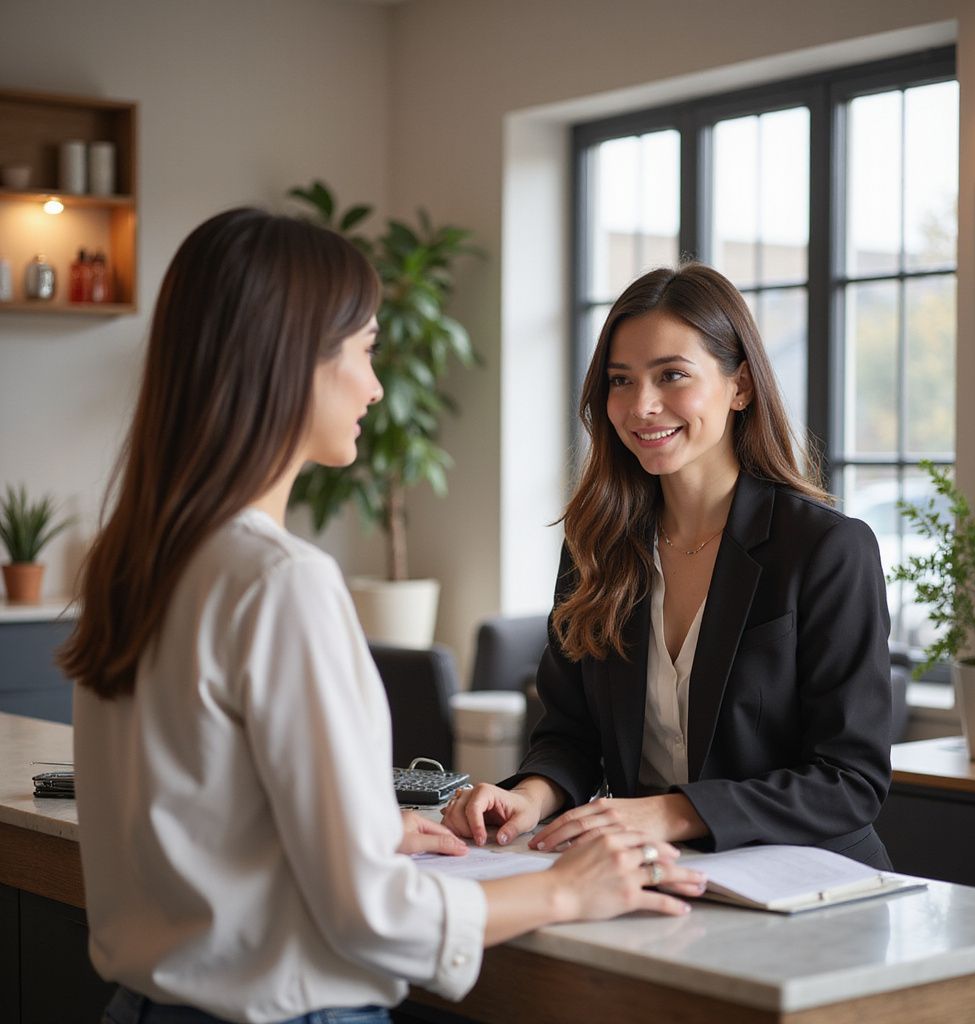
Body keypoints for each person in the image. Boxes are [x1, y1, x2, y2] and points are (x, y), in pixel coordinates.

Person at [59, 209, 708, 1024]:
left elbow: (191, 815)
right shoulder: (277, 581)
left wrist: (360, 828)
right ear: (289, 361)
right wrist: (565, 891)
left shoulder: (134, 561)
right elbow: (368, 915)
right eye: (364, 350)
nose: (374, 385)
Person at [442, 263, 893, 870]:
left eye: (672, 375)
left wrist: (671, 811)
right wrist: (528, 795)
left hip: (811, 885)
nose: (642, 406)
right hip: (653, 879)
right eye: (620, 381)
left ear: (741, 387)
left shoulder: (827, 549)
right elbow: (569, 734)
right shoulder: (596, 544)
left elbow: (849, 780)